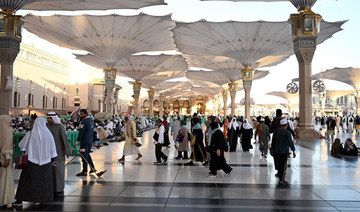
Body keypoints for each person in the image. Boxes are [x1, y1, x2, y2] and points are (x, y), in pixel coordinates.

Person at [15, 118, 58, 205]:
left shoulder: (30, 134)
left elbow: (21, 145)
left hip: (31, 161)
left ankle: (20, 199)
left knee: (26, 180)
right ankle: (40, 198)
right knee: (43, 181)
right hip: (46, 162)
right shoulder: (48, 134)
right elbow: (53, 151)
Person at [46, 112, 71, 197]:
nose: (49, 120)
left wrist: (67, 150)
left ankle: (59, 188)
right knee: (50, 171)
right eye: (48, 118)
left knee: (58, 170)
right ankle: (51, 187)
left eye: (50, 118)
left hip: (58, 152)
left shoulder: (60, 127)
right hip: (48, 152)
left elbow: (64, 139)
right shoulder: (45, 126)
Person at [272, 119, 296, 185]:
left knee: (279, 164)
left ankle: (280, 177)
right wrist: (293, 150)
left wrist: (272, 149)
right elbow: (290, 142)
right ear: (287, 125)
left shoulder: (276, 131)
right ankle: (281, 179)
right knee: (283, 166)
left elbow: (273, 141)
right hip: (284, 152)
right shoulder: (287, 133)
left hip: (277, 151)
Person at [75, 109, 97, 176]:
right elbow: (94, 129)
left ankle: (84, 171)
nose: (81, 116)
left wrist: (77, 141)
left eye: (82, 114)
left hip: (84, 142)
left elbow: (81, 132)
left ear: (85, 114)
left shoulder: (84, 122)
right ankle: (92, 168)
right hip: (89, 141)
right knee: (87, 154)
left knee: (84, 155)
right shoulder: (91, 120)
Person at [0, 115, 14, 208]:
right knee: (5, 180)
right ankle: (6, 199)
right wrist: (8, 158)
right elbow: (7, 147)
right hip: (5, 159)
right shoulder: (8, 133)